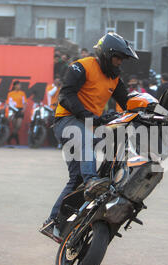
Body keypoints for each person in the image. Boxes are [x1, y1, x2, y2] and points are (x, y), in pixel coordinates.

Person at [39, 32, 139, 241]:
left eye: (122, 59)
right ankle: (92, 180)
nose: (119, 62)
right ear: (105, 54)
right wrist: (89, 116)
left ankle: (53, 222)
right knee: (85, 147)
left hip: (89, 126)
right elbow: (66, 96)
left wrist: (150, 112)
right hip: (67, 121)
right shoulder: (81, 66)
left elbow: (127, 102)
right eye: (117, 57)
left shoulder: (115, 77)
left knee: (76, 179)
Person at [6, 80, 27, 145]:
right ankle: (16, 140)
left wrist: (24, 109)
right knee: (15, 126)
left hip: (20, 110)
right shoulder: (10, 93)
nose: (19, 86)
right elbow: (8, 103)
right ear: (15, 86)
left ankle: (9, 138)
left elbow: (25, 103)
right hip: (13, 110)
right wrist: (9, 111)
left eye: (20, 85)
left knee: (18, 125)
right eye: (18, 85)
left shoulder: (22, 93)